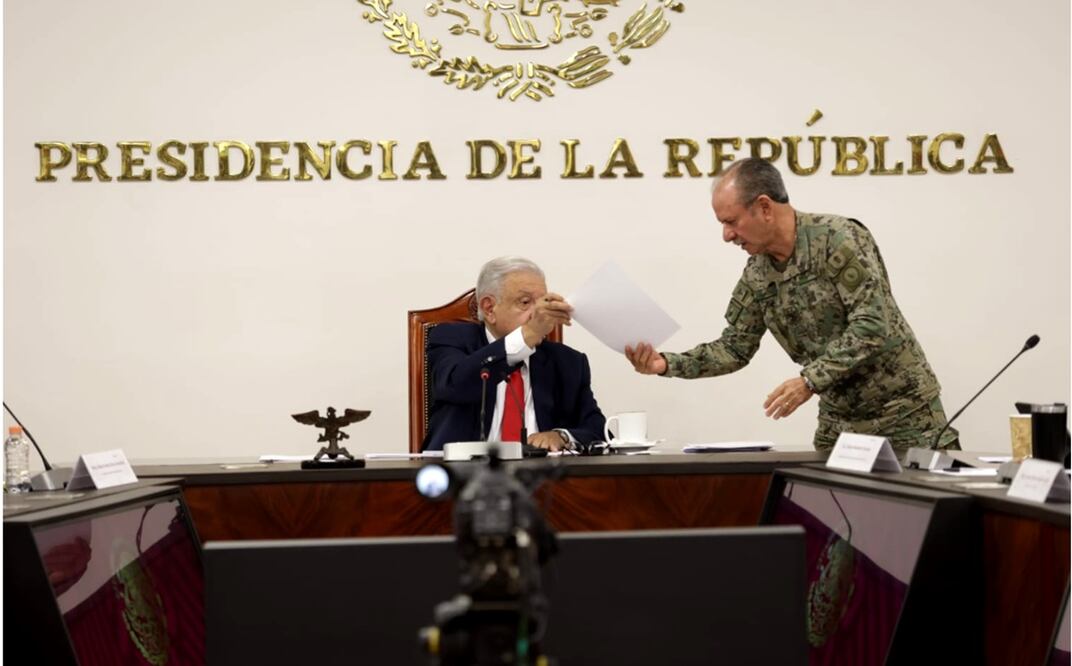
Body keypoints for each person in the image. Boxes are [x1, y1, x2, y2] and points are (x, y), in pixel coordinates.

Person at [625, 158, 958, 452]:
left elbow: (871, 325)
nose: (727, 235)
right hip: (839, 426)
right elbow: (735, 347)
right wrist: (665, 364)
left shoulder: (838, 239)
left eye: (731, 221)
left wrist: (809, 381)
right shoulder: (757, 274)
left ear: (765, 207)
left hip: (905, 417)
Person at [422, 256, 606, 452]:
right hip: (463, 476)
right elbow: (456, 384)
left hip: (543, 476)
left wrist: (561, 436)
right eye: (525, 302)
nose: (538, 314)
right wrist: (529, 334)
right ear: (489, 308)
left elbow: (599, 432)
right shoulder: (451, 338)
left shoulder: (568, 362)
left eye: (542, 303)